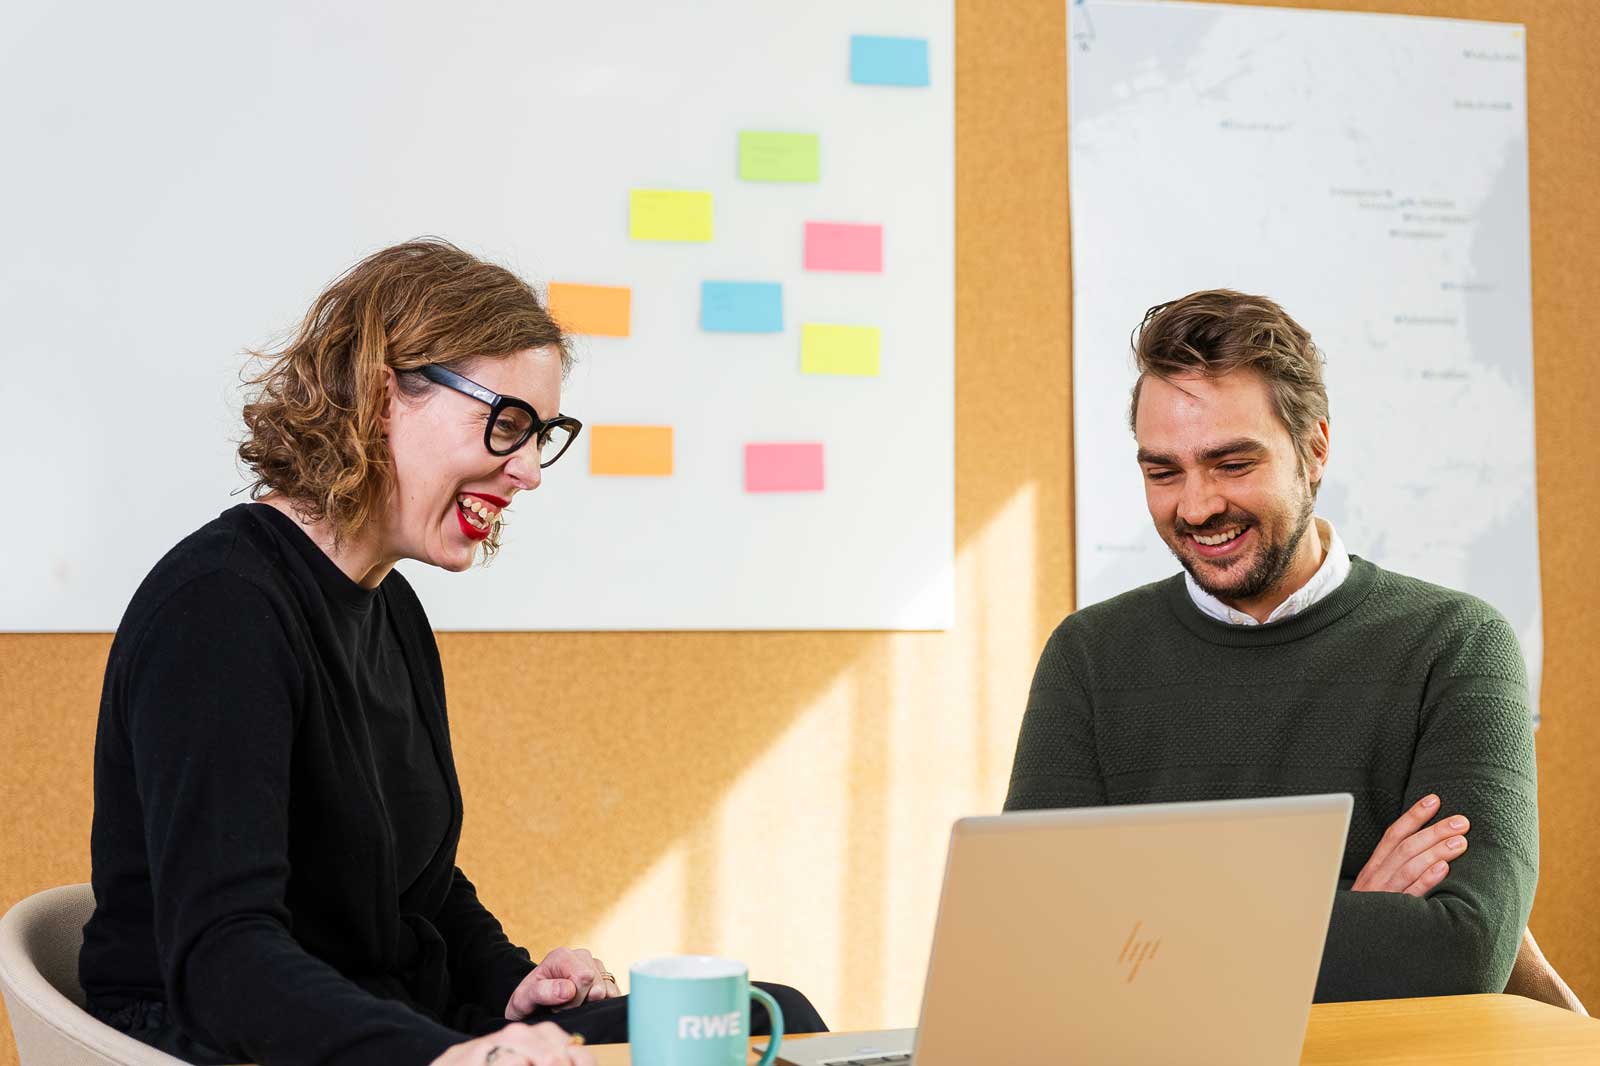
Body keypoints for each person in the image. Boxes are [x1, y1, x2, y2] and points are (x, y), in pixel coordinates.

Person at [79, 239, 826, 1065]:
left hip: (379, 1019)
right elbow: (224, 958)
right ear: (380, 393)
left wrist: (512, 986)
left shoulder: (389, 609)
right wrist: (438, 1056)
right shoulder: (218, 611)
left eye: (544, 434)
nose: (530, 470)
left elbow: (417, 892)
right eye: (507, 424)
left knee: (771, 1019)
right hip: (229, 1040)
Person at [1005, 290, 1539, 1001]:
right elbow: (1033, 940)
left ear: (1314, 449)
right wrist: (1353, 904)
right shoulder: (1089, 657)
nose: (1195, 507)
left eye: (1231, 464)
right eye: (1163, 472)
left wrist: (1147, 931)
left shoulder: (1459, 646)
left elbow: (1460, 954)